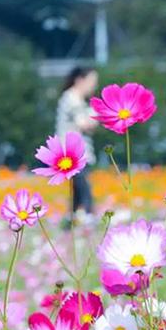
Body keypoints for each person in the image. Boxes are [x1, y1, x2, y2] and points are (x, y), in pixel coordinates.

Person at [56, 66, 99, 219]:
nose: (94, 85)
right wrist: (97, 115)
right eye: (92, 81)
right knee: (83, 187)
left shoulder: (76, 99)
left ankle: (71, 222)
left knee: (77, 190)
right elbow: (83, 124)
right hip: (72, 153)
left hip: (77, 151)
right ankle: (87, 217)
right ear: (80, 80)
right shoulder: (71, 98)